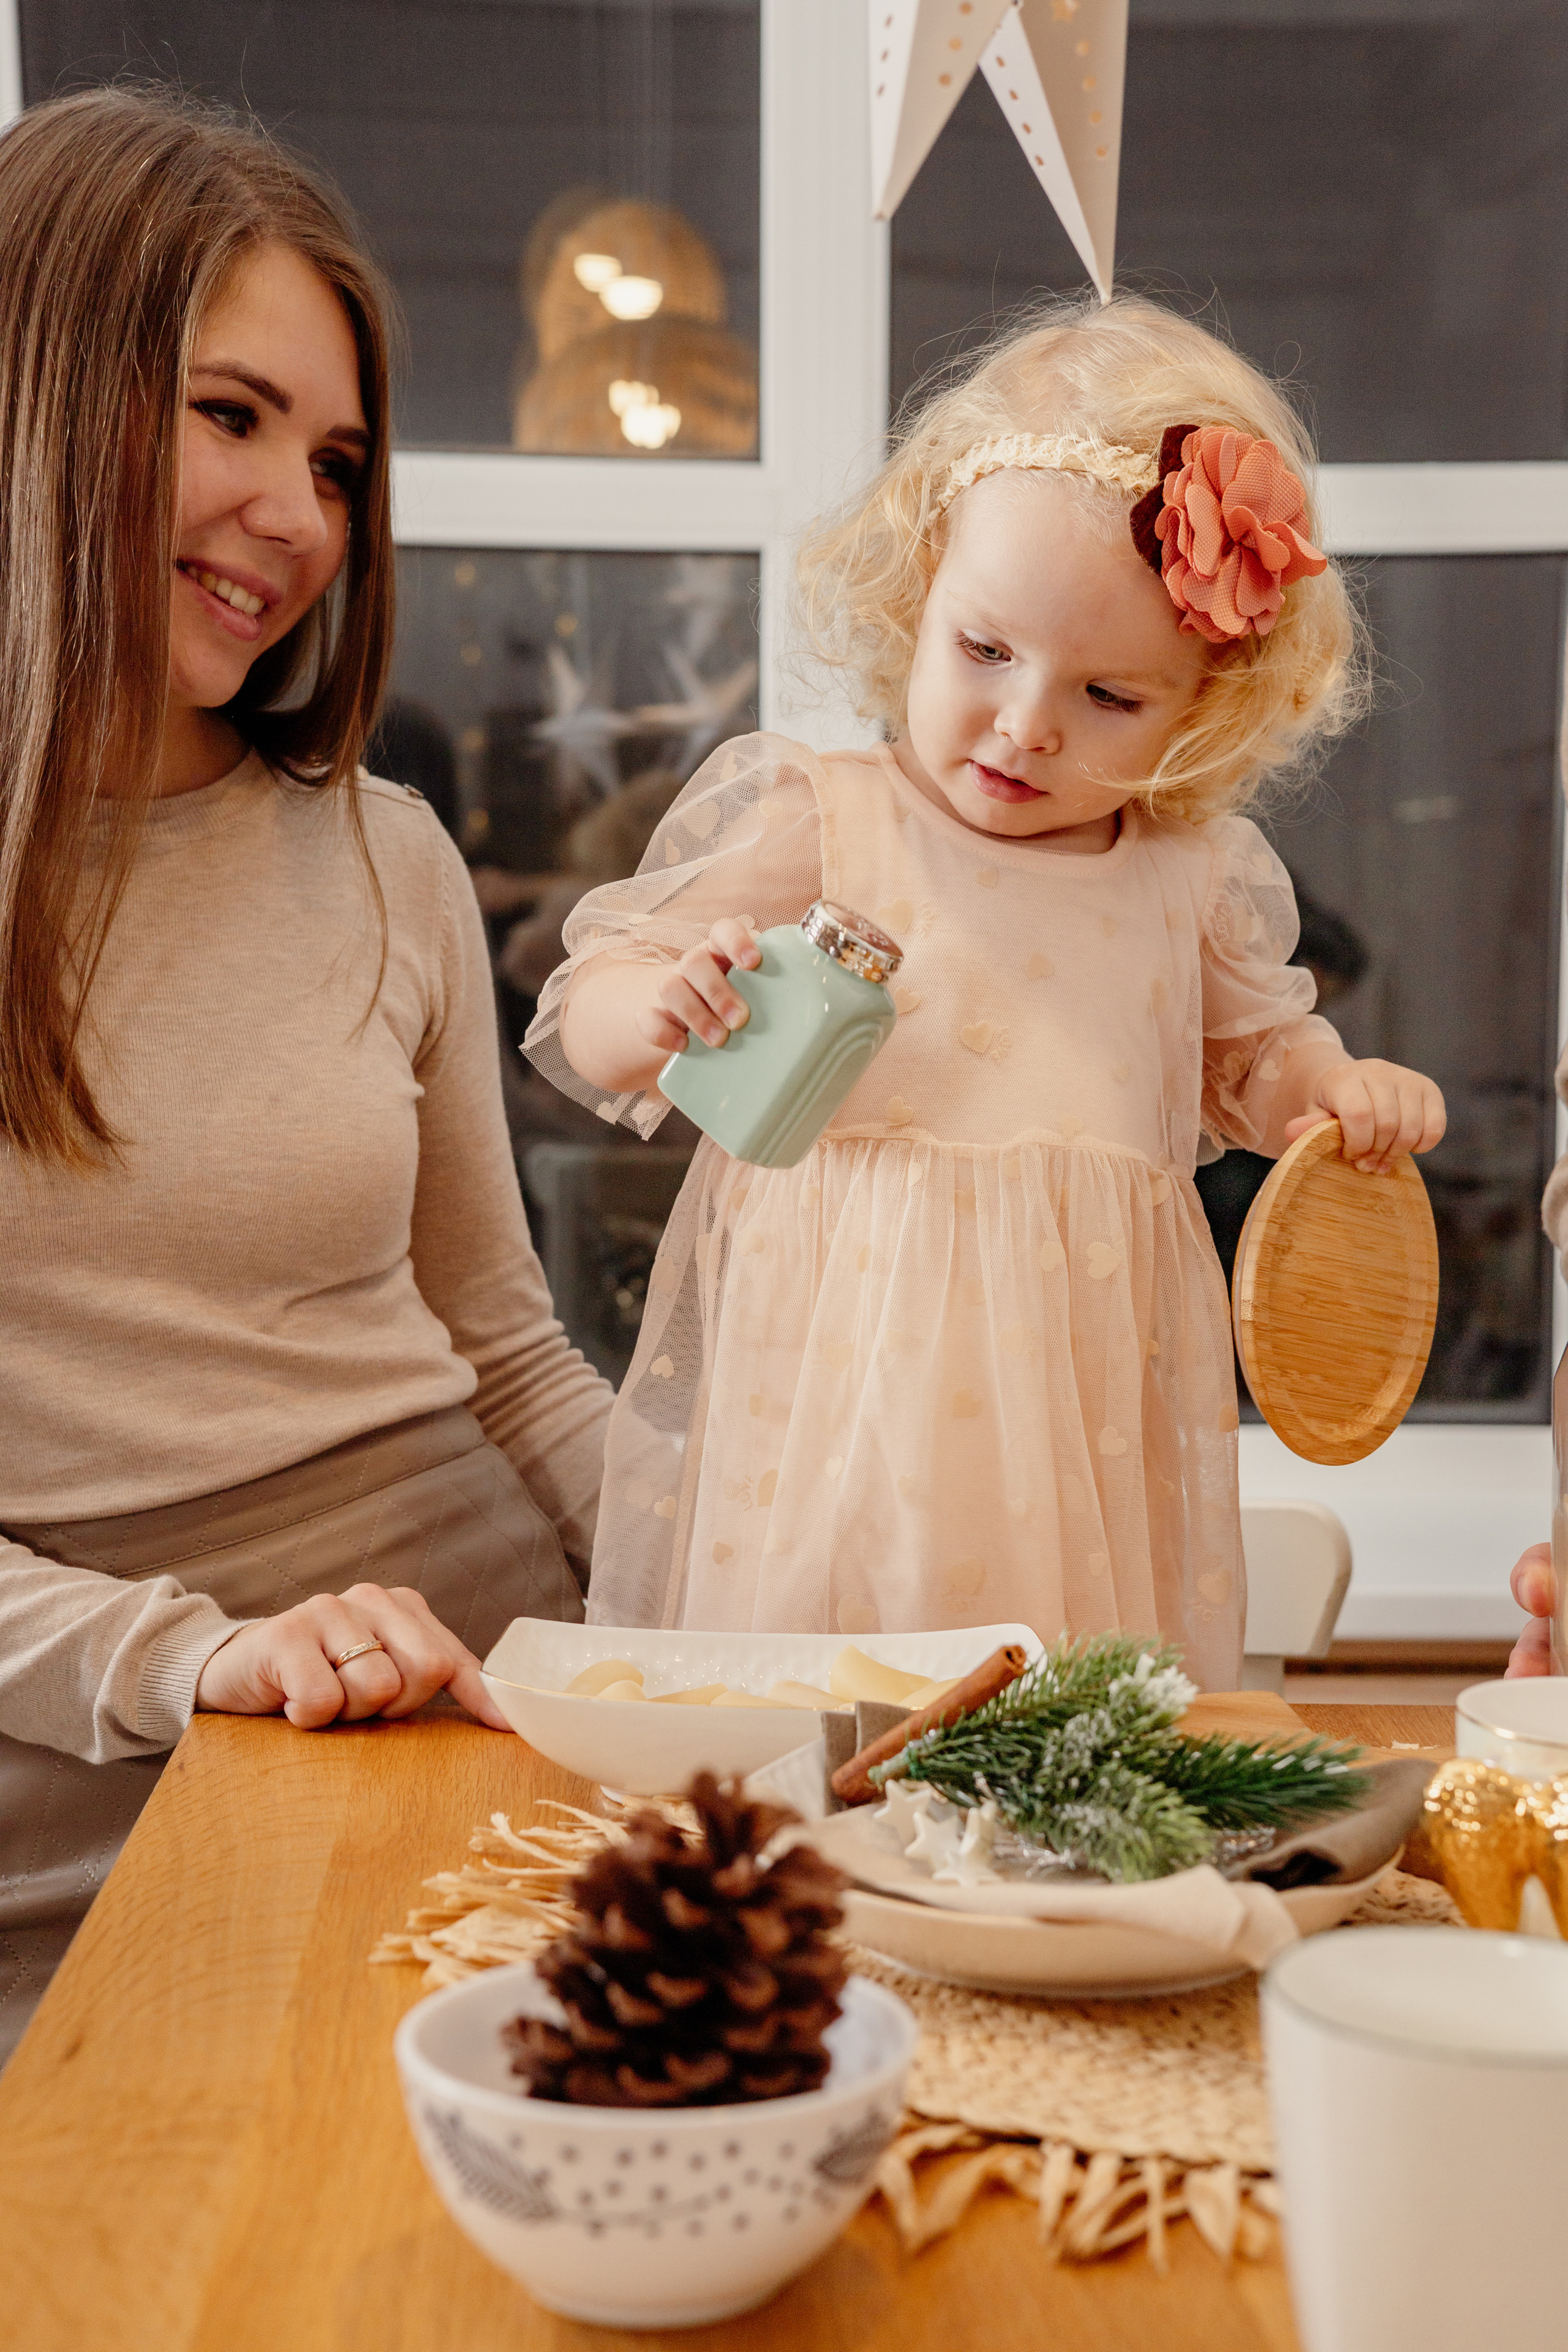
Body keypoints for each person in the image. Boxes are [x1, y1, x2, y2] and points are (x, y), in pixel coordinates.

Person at [525, 293, 1446, 1685]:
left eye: (1109, 698)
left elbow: (1251, 1063)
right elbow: (597, 988)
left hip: (1077, 1428)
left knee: (1050, 1735)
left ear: (1202, 704)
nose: (1025, 725)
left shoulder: (1181, 877)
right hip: (839, 1408)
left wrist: (1335, 1094)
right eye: (983, 651)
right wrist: (658, 1013)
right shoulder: (826, 819)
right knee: (818, 1722)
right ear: (914, 595)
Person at [0, 89, 611, 2059]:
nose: (301, 518)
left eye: (338, 459)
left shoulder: (384, 850)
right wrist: (204, 1659)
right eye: (232, 415)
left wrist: (751, 1566)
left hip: (506, 1731)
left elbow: (507, 1354)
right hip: (104, 1822)